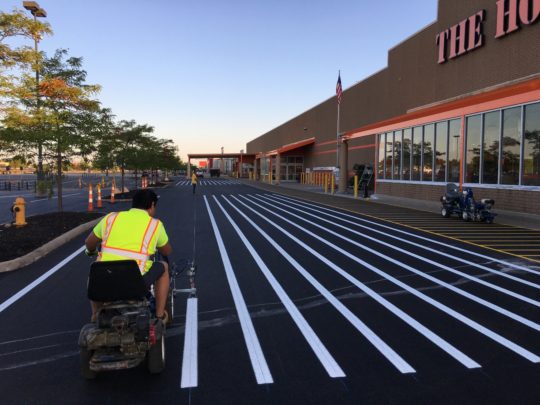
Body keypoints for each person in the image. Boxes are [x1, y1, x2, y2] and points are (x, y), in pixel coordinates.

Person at [85, 189, 172, 323]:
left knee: (95, 271)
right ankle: (160, 316)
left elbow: (89, 242)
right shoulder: (155, 225)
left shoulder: (111, 218)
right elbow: (166, 251)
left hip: (104, 281)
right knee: (164, 267)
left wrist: (91, 252)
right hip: (135, 283)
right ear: (152, 205)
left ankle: (97, 314)